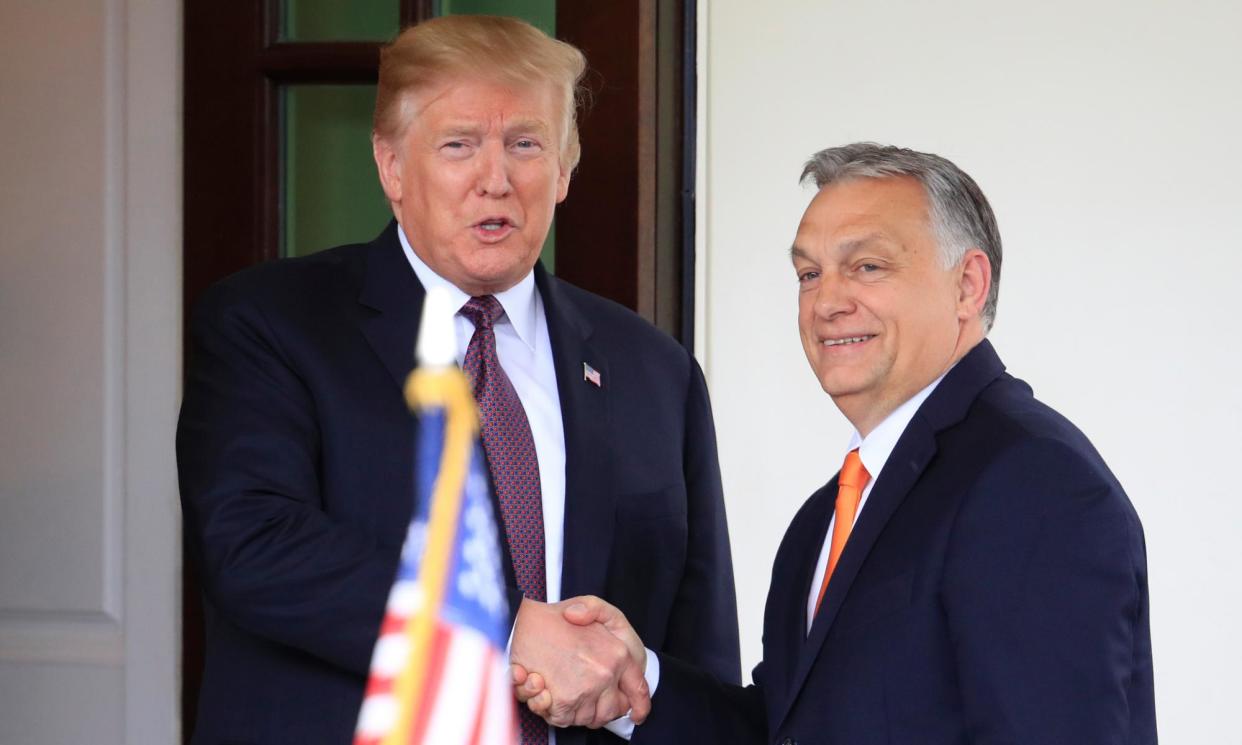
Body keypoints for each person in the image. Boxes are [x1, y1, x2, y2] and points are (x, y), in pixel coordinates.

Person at [176, 15, 739, 745]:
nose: (495, 178)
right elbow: (252, 544)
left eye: (526, 144)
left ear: (565, 168)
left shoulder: (655, 372)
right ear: (392, 167)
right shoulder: (271, 325)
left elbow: (699, 652)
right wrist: (506, 633)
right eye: (459, 144)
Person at [519, 143, 1157, 744]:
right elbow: (780, 729)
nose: (826, 303)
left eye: (867, 267)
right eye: (808, 274)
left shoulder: (1031, 481)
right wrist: (636, 682)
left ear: (968, 286)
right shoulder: (825, 519)